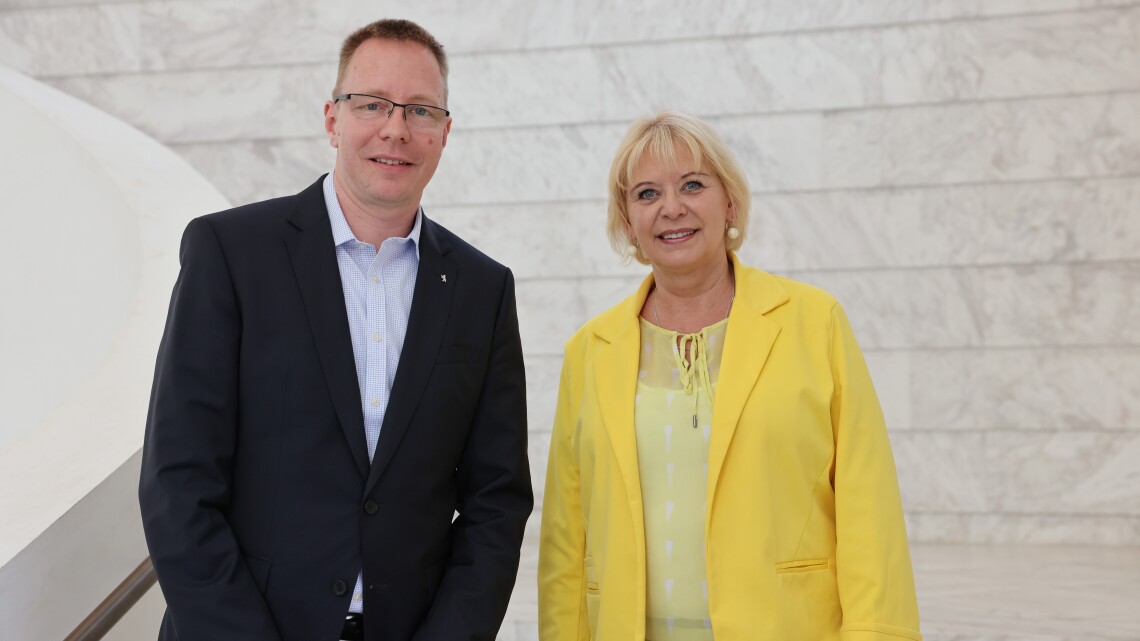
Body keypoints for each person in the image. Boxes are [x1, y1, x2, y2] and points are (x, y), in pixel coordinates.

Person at [139, 19, 532, 641]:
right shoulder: (230, 253)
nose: (395, 128)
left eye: (421, 110)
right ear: (332, 119)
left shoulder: (483, 290)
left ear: (444, 132)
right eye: (372, 103)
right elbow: (177, 482)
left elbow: (497, 501)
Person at [537, 112, 921, 640]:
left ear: (730, 203)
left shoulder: (814, 322)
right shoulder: (589, 350)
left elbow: (869, 509)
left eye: (692, 185)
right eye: (647, 194)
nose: (672, 208)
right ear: (628, 222)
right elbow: (566, 537)